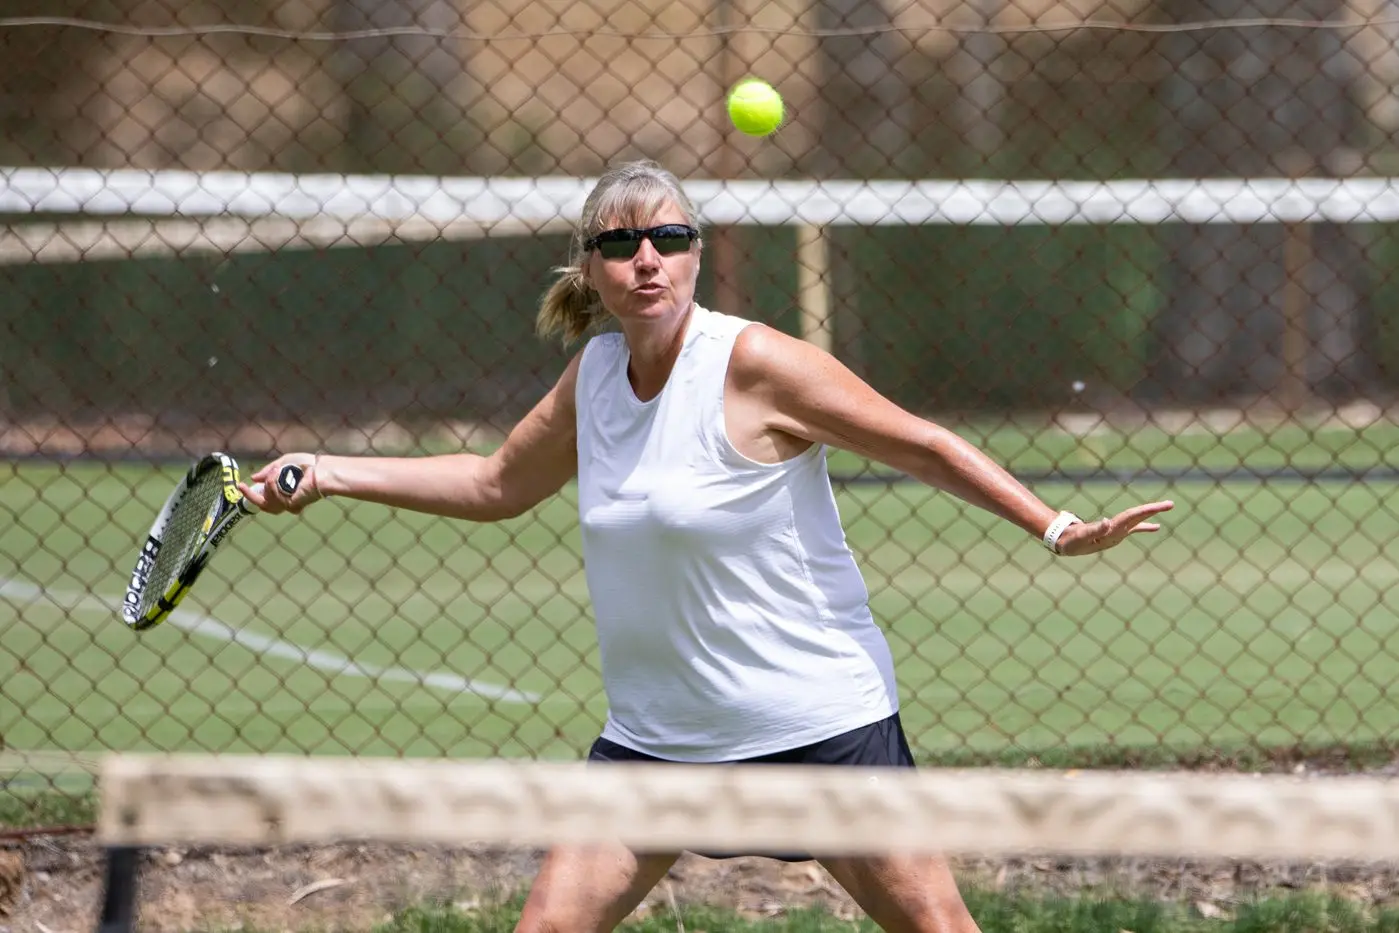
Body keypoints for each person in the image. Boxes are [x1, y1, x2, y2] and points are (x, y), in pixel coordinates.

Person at [243, 158, 1173, 933]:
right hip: (656, 746)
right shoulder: (593, 377)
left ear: (693, 255)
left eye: (670, 240)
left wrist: (1053, 526)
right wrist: (328, 471)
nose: (647, 259)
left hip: (817, 728)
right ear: (591, 267)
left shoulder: (755, 363)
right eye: (621, 243)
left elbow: (921, 442)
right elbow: (496, 485)